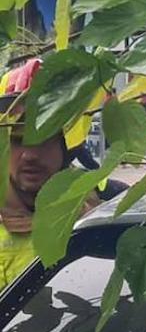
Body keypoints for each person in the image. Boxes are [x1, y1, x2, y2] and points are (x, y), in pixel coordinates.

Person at [0, 58, 100, 289]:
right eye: (17, 141)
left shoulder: (108, 205)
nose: (29, 156)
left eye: (43, 140)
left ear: (68, 146)